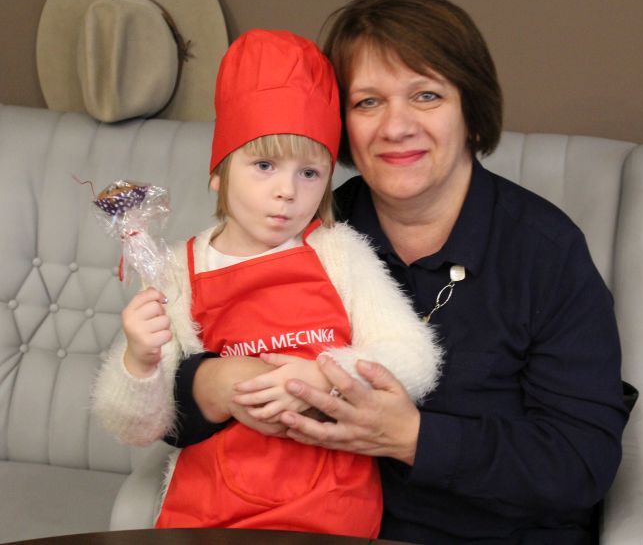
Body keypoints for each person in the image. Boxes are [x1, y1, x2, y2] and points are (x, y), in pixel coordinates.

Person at [171, 0, 629, 545]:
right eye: (368, 102)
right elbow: (173, 393)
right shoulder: (306, 229)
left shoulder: (545, 251)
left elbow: (581, 463)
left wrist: (411, 437)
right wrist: (207, 384)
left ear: (472, 112)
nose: (396, 127)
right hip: (314, 527)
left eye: (426, 95)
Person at [91, 29, 442, 537]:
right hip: (209, 509)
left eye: (309, 173)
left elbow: (415, 357)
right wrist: (140, 362)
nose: (286, 192)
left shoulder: (339, 253)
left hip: (331, 509)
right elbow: (135, 427)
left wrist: (324, 377)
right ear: (219, 173)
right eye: (263, 165)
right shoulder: (176, 271)